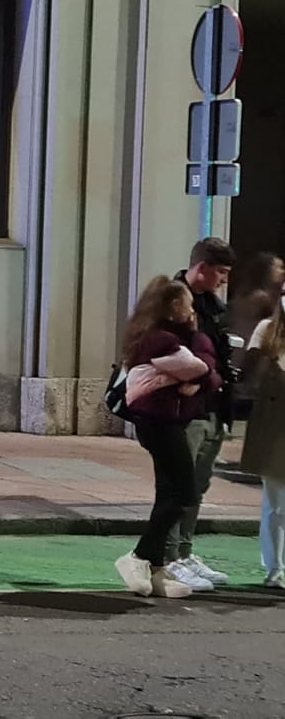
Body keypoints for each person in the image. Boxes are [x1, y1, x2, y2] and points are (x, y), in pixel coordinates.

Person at [111, 277, 221, 598]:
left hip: (161, 421)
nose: (192, 311)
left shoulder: (160, 337)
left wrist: (198, 380)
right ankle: (139, 556)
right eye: (188, 304)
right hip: (160, 423)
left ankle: (156, 569)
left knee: (169, 491)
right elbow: (201, 368)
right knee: (185, 492)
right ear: (175, 306)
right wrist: (201, 356)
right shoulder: (160, 341)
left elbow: (197, 376)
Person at [167, 237, 239, 592]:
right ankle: (170, 559)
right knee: (177, 487)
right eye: (221, 272)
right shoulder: (173, 301)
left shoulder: (214, 307)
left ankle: (184, 551)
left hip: (212, 406)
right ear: (202, 268)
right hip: (184, 410)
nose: (224, 280)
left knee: (196, 487)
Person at [241, 297, 285, 589]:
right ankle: (275, 568)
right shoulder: (266, 331)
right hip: (274, 424)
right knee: (276, 502)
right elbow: (251, 375)